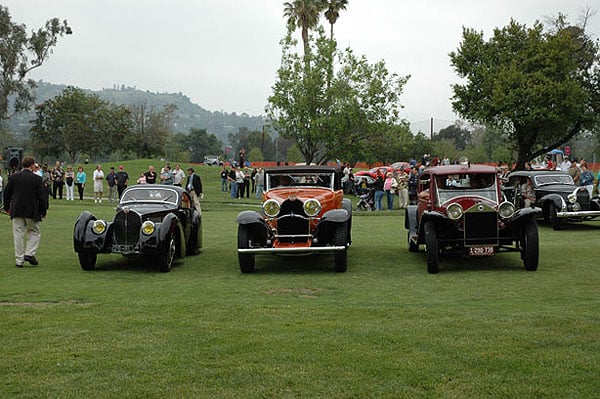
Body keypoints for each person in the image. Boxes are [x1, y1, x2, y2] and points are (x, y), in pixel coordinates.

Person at [3, 156, 47, 267]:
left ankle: (19, 260)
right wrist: (43, 210)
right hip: (31, 210)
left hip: (17, 209)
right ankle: (29, 253)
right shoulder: (36, 179)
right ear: (32, 165)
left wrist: (7, 207)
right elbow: (41, 197)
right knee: (35, 232)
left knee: (18, 234)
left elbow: (7, 194)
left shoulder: (13, 177)